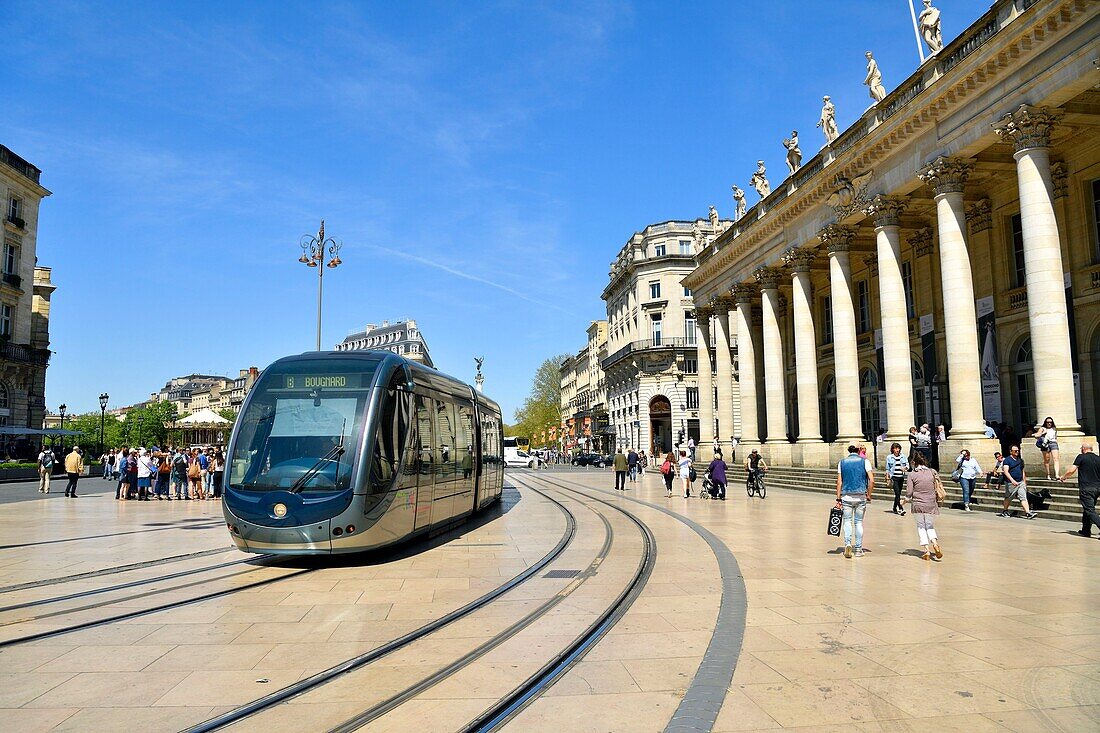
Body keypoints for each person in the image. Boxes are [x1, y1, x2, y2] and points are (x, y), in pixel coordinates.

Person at [834, 445, 874, 558]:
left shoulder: (842, 462)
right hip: (861, 496)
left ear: (848, 451)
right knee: (858, 522)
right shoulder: (865, 462)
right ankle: (858, 549)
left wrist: (838, 498)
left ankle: (847, 544)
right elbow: (872, 480)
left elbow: (839, 482)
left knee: (847, 521)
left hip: (846, 496)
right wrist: (869, 494)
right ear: (858, 451)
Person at [903, 452, 943, 561]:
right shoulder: (932, 472)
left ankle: (926, 550)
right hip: (931, 503)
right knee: (929, 525)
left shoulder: (912, 475)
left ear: (914, 462)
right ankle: (935, 543)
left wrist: (904, 501)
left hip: (918, 504)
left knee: (921, 526)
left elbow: (909, 492)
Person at [1058, 443, 1100, 539]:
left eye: (1081, 447)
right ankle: (1085, 530)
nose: (1080, 449)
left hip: (1086, 488)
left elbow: (1071, 470)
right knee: (1088, 509)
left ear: (1084, 449)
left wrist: (1064, 477)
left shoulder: (1081, 457)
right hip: (1097, 488)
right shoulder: (1098, 458)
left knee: (1090, 510)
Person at [999, 445, 1037, 519]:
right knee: (1008, 497)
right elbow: (1006, 471)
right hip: (1011, 483)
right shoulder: (1007, 460)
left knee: (1023, 497)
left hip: (1020, 482)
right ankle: (1005, 510)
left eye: (1018, 450)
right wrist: (1012, 480)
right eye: (1015, 451)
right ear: (1011, 451)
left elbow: (1022, 471)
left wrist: (1024, 481)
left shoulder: (1020, 460)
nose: (1017, 452)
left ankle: (1028, 512)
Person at [885, 442, 908, 515]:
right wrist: (887, 476)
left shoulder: (903, 456)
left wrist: (905, 468)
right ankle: (901, 508)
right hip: (894, 477)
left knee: (898, 494)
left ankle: (894, 507)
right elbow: (887, 468)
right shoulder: (889, 457)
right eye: (895, 448)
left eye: (898, 448)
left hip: (901, 477)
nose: (897, 450)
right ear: (893, 449)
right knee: (897, 493)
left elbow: (907, 465)